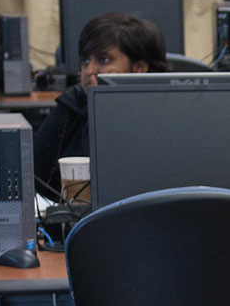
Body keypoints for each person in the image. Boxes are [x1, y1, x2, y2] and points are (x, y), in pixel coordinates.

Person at [32, 12, 170, 196]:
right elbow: (32, 176)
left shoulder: (164, 114)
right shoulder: (72, 106)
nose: (89, 70)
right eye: (85, 61)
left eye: (103, 60)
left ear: (138, 68)